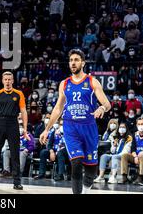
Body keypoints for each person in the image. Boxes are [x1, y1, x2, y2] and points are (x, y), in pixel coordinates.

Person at [40, 49, 112, 194]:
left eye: (76, 60)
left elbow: (107, 104)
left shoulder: (92, 81)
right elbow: (57, 108)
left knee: (91, 170)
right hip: (70, 126)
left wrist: (102, 108)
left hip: (89, 127)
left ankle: (86, 189)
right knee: (76, 162)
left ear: (83, 63)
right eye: (71, 60)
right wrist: (47, 129)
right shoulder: (64, 84)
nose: (73, 62)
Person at [0, 71, 29, 190]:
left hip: (13, 123)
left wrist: (25, 129)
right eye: (6, 79)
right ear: (3, 80)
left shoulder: (19, 94)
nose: (8, 81)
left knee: (15, 154)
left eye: (10, 79)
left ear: (13, 81)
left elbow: (24, 111)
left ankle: (17, 182)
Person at [120, 118, 143, 185]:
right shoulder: (135, 134)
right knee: (124, 156)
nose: (140, 125)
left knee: (142, 156)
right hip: (136, 156)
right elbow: (133, 148)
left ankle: (140, 177)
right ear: (136, 125)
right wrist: (135, 156)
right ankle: (124, 177)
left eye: (142, 124)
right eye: (139, 124)